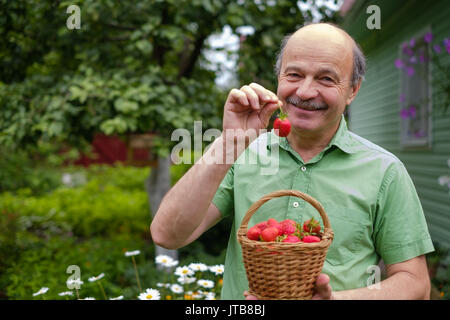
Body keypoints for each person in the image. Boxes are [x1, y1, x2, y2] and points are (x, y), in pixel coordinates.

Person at [150, 22, 434, 300]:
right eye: (294, 75)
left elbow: (415, 283)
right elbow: (167, 234)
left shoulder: (385, 171)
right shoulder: (241, 154)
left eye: (326, 78)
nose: (305, 92)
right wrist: (229, 142)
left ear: (353, 90)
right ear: (278, 79)